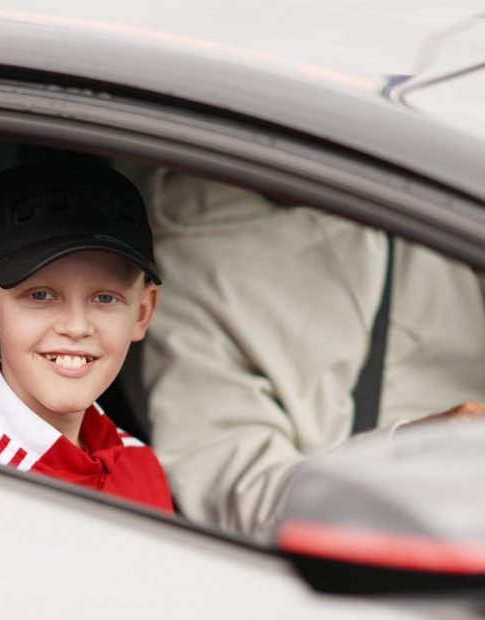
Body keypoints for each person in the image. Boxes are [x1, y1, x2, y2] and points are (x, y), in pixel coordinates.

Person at [132, 169, 485, 539]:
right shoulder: (193, 264)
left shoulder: (425, 169)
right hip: (390, 536)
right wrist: (403, 452)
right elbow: (235, 491)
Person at [0, 161, 173, 514]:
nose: (77, 326)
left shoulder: (140, 463)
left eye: (105, 298)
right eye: (40, 295)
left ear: (142, 313)